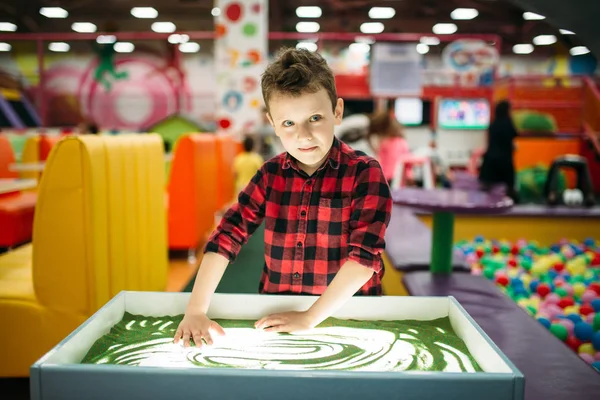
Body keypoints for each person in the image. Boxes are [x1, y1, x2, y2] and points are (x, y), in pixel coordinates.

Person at [174, 47, 392, 347]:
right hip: (276, 313)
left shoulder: (365, 173)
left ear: (337, 112)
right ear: (273, 124)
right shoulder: (270, 174)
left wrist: (310, 318)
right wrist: (196, 309)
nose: (303, 135)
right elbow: (226, 235)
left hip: (351, 314)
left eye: (315, 118)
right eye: (289, 123)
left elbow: (364, 258)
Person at [478, 100, 519, 202]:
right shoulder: (508, 123)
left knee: (486, 187)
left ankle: (483, 208)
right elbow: (513, 136)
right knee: (509, 188)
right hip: (504, 161)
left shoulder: (493, 124)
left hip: (491, 160)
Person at [367, 111, 411, 184]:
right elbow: (407, 161)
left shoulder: (384, 142)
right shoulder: (402, 142)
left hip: (385, 177)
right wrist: (409, 176)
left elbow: (379, 160)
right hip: (398, 177)